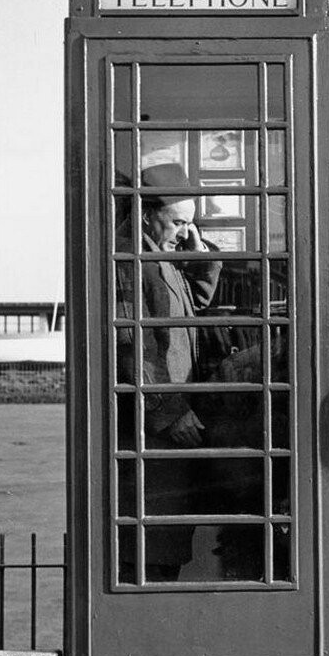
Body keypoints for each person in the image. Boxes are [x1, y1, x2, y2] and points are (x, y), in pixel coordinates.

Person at [115, 163, 221, 447]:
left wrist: (201, 258)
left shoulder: (159, 254)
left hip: (178, 408)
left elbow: (196, 302)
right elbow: (133, 344)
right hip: (154, 424)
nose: (186, 234)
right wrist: (169, 413)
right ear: (147, 216)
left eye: (190, 224)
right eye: (179, 223)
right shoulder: (128, 261)